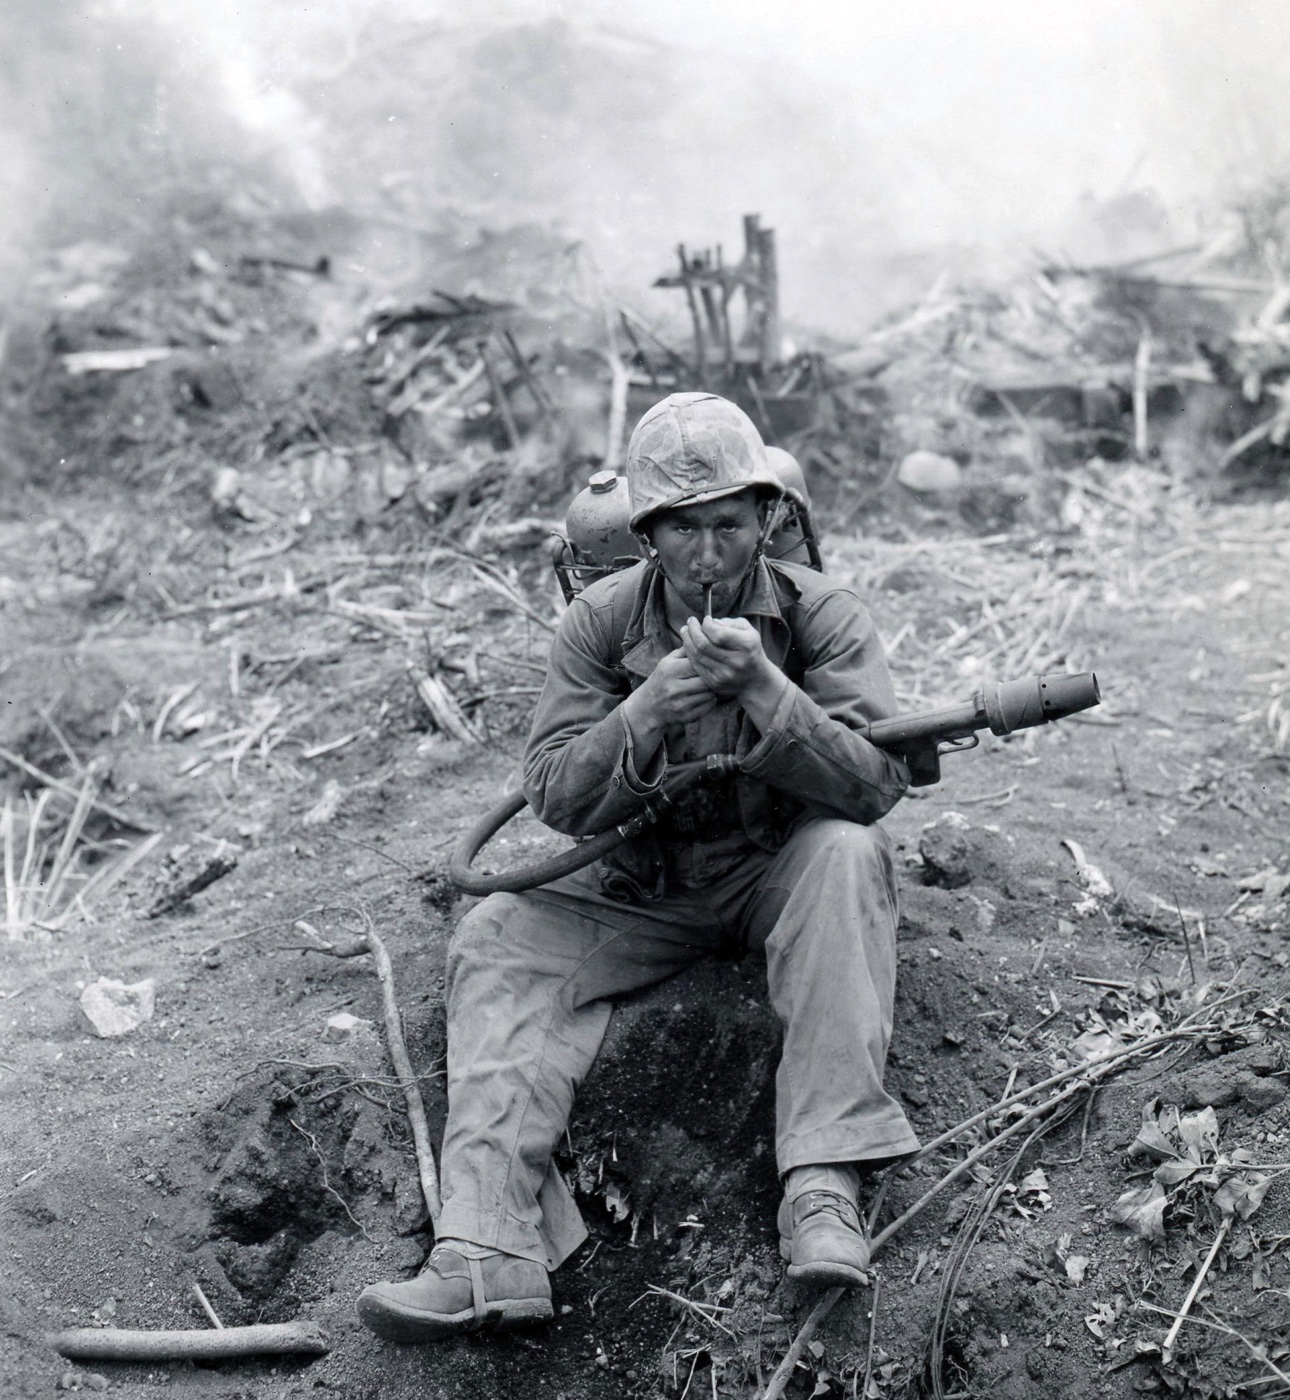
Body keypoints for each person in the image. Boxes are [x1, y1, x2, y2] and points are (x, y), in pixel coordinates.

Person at [357, 392, 918, 1344]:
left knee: (849, 852)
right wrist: (648, 708)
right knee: (496, 935)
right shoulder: (597, 624)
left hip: (775, 872)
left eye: (729, 526)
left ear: (767, 518)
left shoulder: (822, 616)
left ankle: (822, 1188)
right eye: (683, 531)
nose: (709, 556)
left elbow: (872, 787)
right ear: (647, 533)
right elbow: (558, 798)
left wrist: (767, 692)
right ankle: (487, 1250)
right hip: (642, 886)